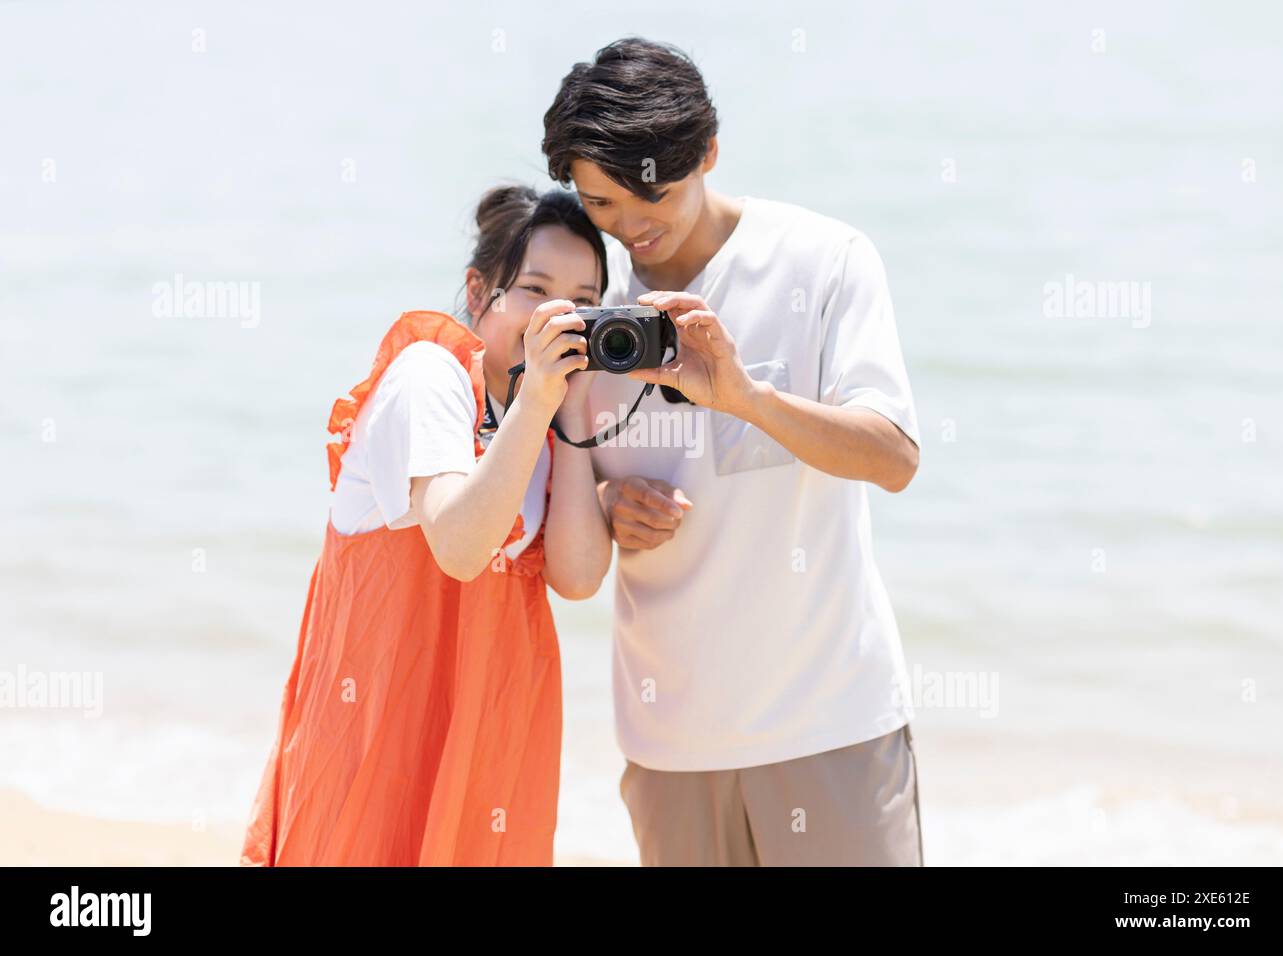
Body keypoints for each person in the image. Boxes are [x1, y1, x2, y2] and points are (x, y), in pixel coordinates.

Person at [542, 38, 925, 866]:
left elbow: (894, 457)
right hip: (672, 744)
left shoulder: (824, 261)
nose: (630, 228)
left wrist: (746, 400)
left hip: (832, 727)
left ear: (708, 152)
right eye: (601, 204)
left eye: (655, 197)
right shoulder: (590, 313)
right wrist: (610, 509)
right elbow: (567, 548)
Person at [240, 185, 612, 866]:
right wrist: (538, 403)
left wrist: (576, 413)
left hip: (481, 754)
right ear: (479, 294)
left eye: (586, 303)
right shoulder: (430, 378)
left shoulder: (541, 418)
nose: (561, 317)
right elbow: (461, 546)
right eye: (536, 290)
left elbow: (581, 576)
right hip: (379, 747)